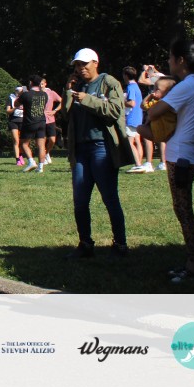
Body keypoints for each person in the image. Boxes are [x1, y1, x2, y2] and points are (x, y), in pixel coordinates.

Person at [146, 38, 194, 283]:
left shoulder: (187, 86)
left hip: (182, 157)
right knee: (183, 210)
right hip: (185, 154)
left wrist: (154, 97)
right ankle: (191, 264)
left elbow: (154, 111)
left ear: (181, 60)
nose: (168, 61)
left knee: (184, 212)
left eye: (170, 57)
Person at [60, 48, 134, 259]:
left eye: (84, 64)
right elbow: (66, 115)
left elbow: (115, 111)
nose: (80, 68)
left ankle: (120, 244)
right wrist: (68, 91)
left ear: (95, 63)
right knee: (80, 201)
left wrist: (86, 99)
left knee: (110, 198)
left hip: (102, 147)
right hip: (80, 149)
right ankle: (85, 244)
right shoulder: (77, 85)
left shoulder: (108, 82)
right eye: (77, 65)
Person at [16, 75, 49, 172]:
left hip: (29, 122)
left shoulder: (26, 94)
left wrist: (20, 95)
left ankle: (31, 161)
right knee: (41, 145)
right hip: (41, 121)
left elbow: (16, 104)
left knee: (23, 144)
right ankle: (41, 167)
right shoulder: (44, 94)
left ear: (30, 83)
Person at [137, 65, 166, 172]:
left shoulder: (156, 79)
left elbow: (141, 80)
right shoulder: (163, 77)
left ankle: (149, 163)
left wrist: (144, 70)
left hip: (152, 108)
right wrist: (152, 69)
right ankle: (163, 163)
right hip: (161, 109)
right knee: (162, 136)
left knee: (147, 135)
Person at [122, 66, 145, 172]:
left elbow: (131, 103)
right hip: (138, 117)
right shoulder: (136, 86)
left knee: (129, 142)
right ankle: (139, 163)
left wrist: (120, 101)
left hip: (131, 117)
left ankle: (138, 164)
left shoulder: (130, 87)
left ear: (126, 75)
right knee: (137, 141)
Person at [41, 78, 62, 164]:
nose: (40, 85)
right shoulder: (36, 93)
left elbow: (62, 101)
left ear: (45, 84)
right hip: (40, 119)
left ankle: (47, 153)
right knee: (42, 139)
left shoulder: (51, 93)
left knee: (52, 139)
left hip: (50, 119)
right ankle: (43, 157)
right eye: (39, 84)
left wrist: (55, 110)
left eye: (42, 84)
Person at [6, 86, 25, 165]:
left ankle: (21, 155)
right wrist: (15, 108)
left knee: (23, 141)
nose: (19, 93)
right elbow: (8, 111)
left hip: (23, 121)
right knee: (16, 140)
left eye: (20, 91)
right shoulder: (11, 98)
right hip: (13, 121)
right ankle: (17, 159)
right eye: (17, 91)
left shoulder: (25, 98)